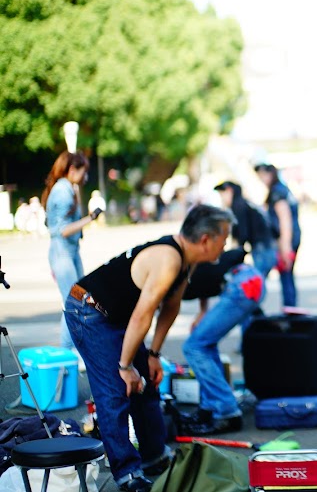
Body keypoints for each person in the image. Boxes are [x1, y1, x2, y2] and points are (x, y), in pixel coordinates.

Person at [64, 204, 234, 492]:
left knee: (147, 385)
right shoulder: (167, 260)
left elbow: (171, 306)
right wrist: (125, 366)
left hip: (117, 316)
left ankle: (154, 456)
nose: (226, 244)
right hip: (88, 310)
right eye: (224, 237)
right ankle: (127, 474)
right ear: (206, 239)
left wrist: (153, 356)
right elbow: (143, 315)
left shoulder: (185, 259)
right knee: (116, 391)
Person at [179, 248, 265, 435]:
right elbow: (203, 282)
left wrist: (153, 353)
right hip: (249, 278)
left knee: (194, 347)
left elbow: (168, 308)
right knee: (204, 344)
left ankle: (226, 411)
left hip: (240, 286)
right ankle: (210, 407)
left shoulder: (172, 269)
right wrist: (202, 312)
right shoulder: (189, 259)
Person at [41, 151, 101, 350]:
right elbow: (63, 230)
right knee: (74, 304)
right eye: (84, 172)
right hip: (62, 253)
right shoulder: (63, 190)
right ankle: (67, 352)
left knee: (77, 302)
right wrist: (90, 218)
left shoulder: (67, 188)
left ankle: (70, 352)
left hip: (69, 252)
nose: (86, 177)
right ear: (73, 170)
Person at [253, 164, 301, 307]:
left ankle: (290, 308)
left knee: (285, 274)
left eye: (262, 176)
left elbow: (284, 220)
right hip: (290, 238)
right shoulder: (282, 189)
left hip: (285, 240)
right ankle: (290, 307)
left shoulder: (277, 192)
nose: (261, 180)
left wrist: (285, 246)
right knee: (287, 275)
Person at [214, 180, 277, 276]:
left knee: (257, 281)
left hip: (262, 247)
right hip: (267, 246)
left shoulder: (238, 205)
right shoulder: (244, 203)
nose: (222, 198)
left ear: (230, 191)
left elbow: (242, 233)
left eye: (222, 194)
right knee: (258, 279)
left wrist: (234, 253)